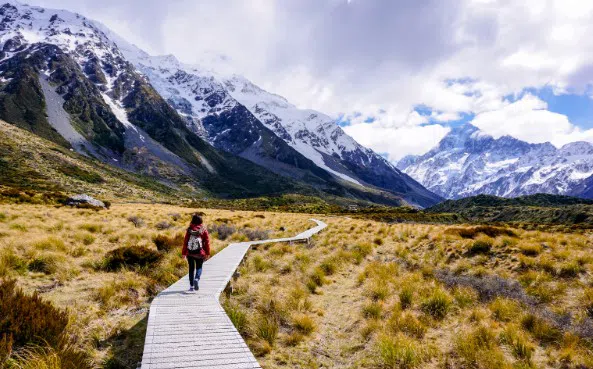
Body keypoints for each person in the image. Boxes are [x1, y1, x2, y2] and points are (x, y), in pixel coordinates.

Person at [182, 214, 210, 291]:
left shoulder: (189, 229)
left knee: (191, 269)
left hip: (189, 253)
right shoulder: (203, 229)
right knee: (199, 267)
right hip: (200, 253)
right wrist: (207, 253)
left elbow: (185, 242)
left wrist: (184, 253)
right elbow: (207, 242)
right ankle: (197, 279)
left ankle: (191, 286)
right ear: (201, 221)